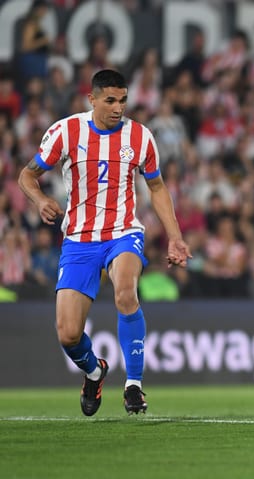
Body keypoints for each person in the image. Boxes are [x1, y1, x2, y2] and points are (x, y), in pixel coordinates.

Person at [18, 69, 191, 416]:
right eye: (110, 100)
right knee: (68, 334)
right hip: (79, 239)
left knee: (125, 290)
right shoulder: (66, 131)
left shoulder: (140, 137)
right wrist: (39, 201)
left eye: (123, 100)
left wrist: (175, 237)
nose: (118, 108)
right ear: (92, 99)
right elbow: (27, 175)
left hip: (124, 231)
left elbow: (157, 188)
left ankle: (134, 386)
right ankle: (95, 372)